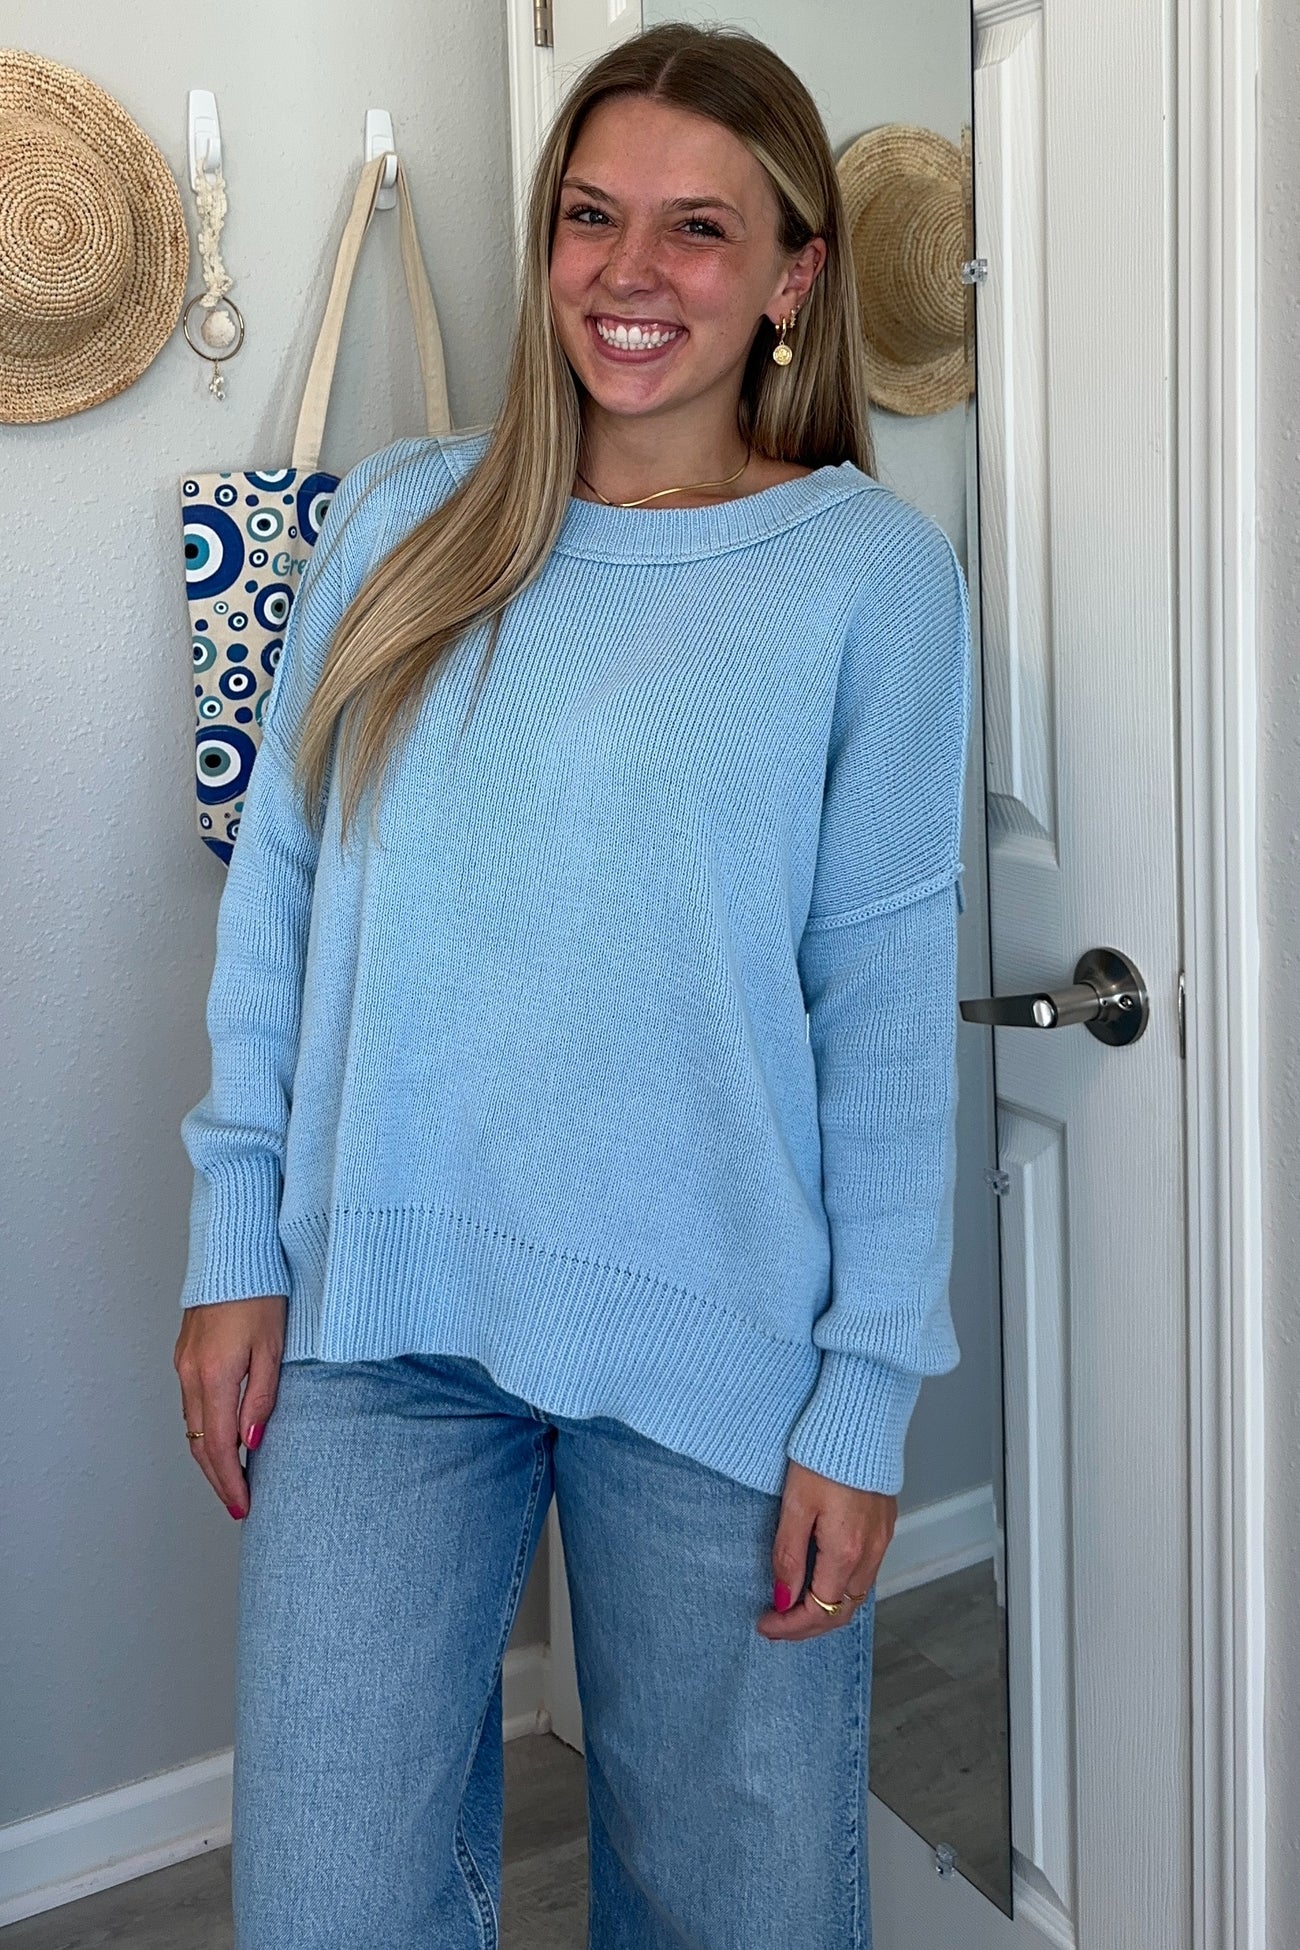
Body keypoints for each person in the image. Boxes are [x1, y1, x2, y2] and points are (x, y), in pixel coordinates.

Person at [174, 20, 971, 1949]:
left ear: (792, 277)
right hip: (377, 1321)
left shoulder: (868, 577)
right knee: (325, 1907)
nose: (632, 271)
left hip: (717, 1343)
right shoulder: (403, 520)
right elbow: (283, 892)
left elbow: (877, 1009)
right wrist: (233, 1237)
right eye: (592, 216)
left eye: (699, 228)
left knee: (734, 1914)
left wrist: (864, 1395)